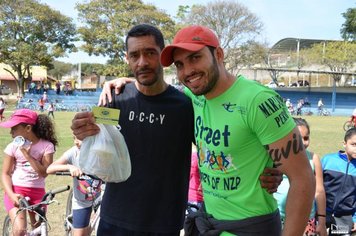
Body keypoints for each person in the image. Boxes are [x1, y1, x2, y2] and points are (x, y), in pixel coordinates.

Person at [98, 25, 314, 235]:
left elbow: (303, 178)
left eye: (195, 58)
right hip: (208, 222)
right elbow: (155, 90)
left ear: (218, 54)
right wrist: (127, 82)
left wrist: (275, 170)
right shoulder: (192, 99)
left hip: (251, 226)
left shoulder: (259, 101)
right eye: (180, 64)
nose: (188, 71)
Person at [0, 109, 58, 236]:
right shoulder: (12, 147)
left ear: (27, 128)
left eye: (14, 128)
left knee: (39, 229)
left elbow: (44, 172)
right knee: (20, 230)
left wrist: (27, 154)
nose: (11, 132)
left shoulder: (47, 146)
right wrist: (11, 195)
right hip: (16, 191)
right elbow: (5, 174)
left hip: (37, 193)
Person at [274, 117, 327, 236]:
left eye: (306, 138)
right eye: (298, 138)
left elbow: (319, 191)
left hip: (306, 219)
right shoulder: (276, 157)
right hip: (277, 217)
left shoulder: (314, 158)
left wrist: (322, 221)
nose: (303, 142)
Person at [46, 136, 103, 236]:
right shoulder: (74, 152)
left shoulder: (102, 152)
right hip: (81, 201)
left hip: (101, 198)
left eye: (80, 138)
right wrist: (69, 167)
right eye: (74, 138)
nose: (76, 142)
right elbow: (49, 169)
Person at [321, 127, 356, 235]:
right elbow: (316, 187)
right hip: (322, 214)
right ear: (344, 143)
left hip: (345, 218)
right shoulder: (328, 160)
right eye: (354, 144)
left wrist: (355, 218)